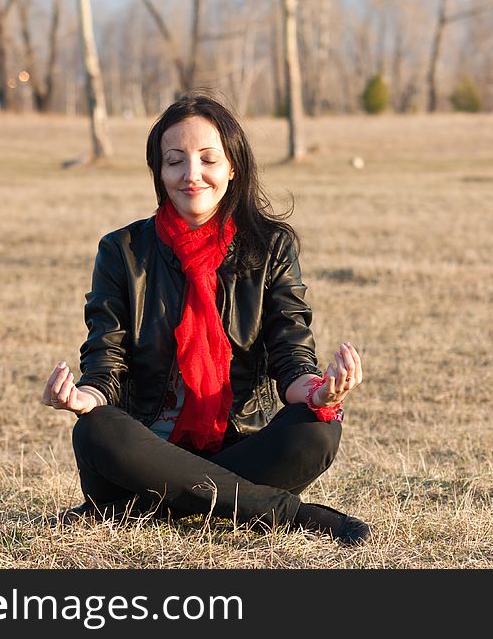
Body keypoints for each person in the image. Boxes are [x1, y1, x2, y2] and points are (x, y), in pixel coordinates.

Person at [41, 92, 370, 545]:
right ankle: (285, 513)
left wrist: (320, 390)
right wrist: (85, 398)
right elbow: (107, 365)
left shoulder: (270, 247)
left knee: (318, 430)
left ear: (232, 167)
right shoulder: (121, 252)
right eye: (174, 161)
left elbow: (290, 356)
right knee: (98, 430)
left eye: (207, 159)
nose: (191, 175)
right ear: (158, 171)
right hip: (146, 449)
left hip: (238, 445)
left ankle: (144, 507)